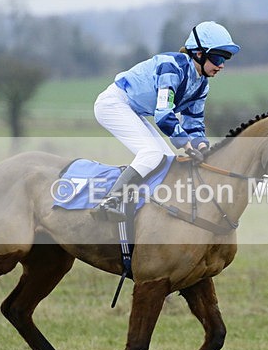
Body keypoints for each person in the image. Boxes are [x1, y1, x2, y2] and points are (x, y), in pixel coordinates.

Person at [91, 21, 240, 221]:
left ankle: (146, 210)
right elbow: (163, 114)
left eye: (225, 58)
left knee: (168, 160)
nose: (221, 65)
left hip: (134, 110)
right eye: (217, 57)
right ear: (198, 53)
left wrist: (203, 148)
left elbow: (193, 122)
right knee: (152, 154)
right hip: (113, 104)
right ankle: (110, 201)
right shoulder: (171, 66)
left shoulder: (201, 85)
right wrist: (188, 146)